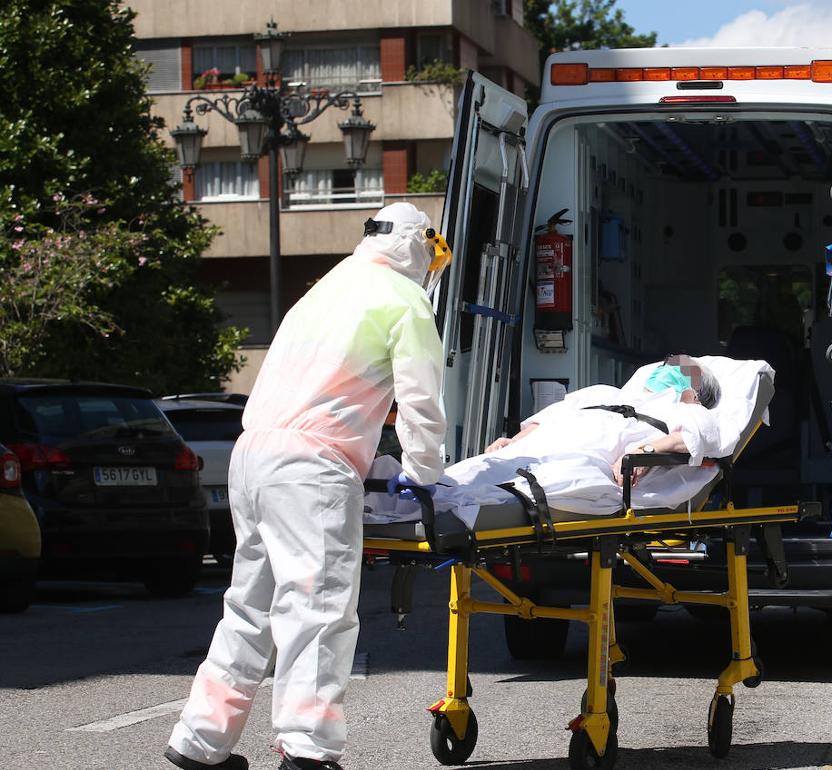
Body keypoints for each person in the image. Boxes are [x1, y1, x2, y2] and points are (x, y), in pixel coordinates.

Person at [165, 203, 447, 770]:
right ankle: (308, 750)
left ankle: (200, 741)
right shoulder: (405, 299)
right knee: (318, 607)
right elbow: (420, 402)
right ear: (420, 247)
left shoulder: (326, 288)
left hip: (254, 455)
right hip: (311, 466)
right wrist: (425, 476)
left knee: (250, 606)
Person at [414, 355, 732, 526]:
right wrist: (512, 441)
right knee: (465, 476)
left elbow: (697, 437)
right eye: (671, 364)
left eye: (685, 370)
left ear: (696, 394)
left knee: (501, 489)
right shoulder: (602, 392)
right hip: (533, 450)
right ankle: (419, 496)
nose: (673, 367)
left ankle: (444, 505)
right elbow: (547, 419)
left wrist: (643, 450)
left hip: (578, 456)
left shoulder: (684, 411)